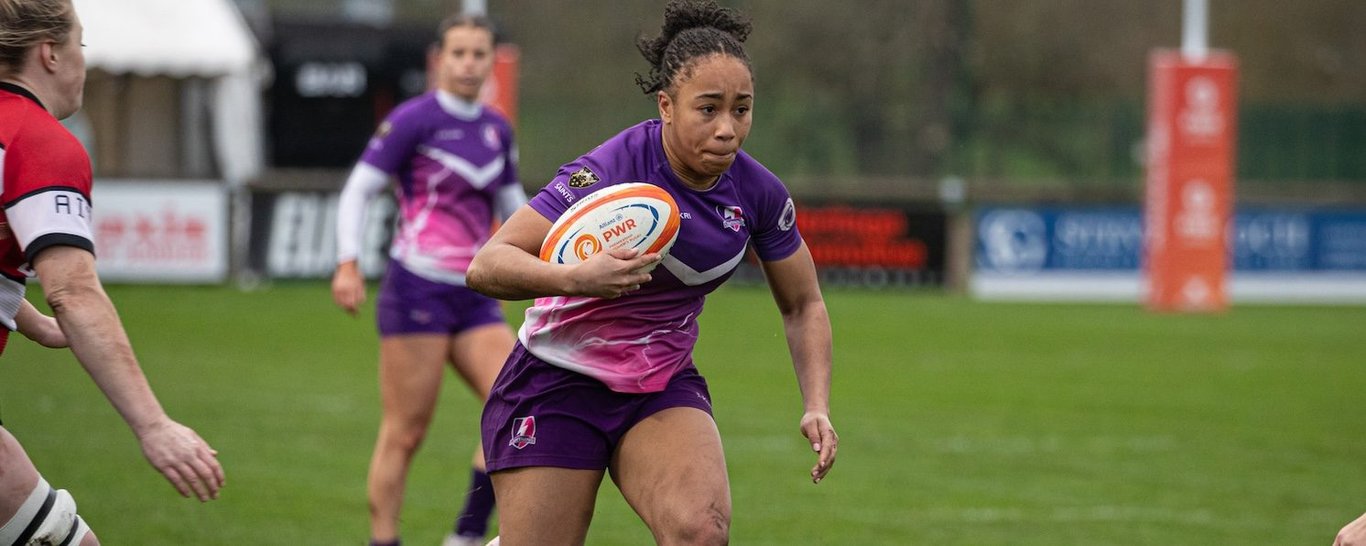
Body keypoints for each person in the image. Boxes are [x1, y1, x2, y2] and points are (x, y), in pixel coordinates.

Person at [465, 1, 839, 544]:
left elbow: (804, 304)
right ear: (666, 105)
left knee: (701, 531)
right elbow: (487, 264)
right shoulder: (612, 169)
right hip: (555, 380)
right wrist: (576, 278)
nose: (728, 129)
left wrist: (817, 405)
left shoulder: (758, 193)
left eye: (741, 109)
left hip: (658, 384)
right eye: (708, 109)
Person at [0, 1, 226, 544]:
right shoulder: (39, 142)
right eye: (81, 43)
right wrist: (155, 427)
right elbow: (74, 290)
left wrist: (27, 319)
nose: (84, 59)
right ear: (50, 53)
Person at [330, 13, 524, 546]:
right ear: (439, 60)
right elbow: (358, 191)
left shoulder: (496, 128)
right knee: (407, 431)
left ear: (491, 61)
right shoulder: (414, 120)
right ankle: (384, 541)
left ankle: (465, 535)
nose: (468, 63)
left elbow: (517, 211)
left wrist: (553, 268)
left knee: (518, 400)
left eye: (478, 54)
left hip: (476, 294)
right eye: (458, 53)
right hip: (417, 289)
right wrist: (348, 261)